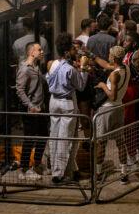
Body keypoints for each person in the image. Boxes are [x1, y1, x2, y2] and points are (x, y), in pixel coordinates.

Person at [46, 32, 89, 184]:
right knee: (65, 138)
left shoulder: (52, 64)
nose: (74, 50)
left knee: (55, 136)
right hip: (67, 103)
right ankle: (58, 174)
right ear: (66, 52)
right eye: (72, 48)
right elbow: (81, 86)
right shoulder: (70, 69)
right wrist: (83, 69)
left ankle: (65, 168)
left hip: (53, 101)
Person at [93, 46, 130, 184]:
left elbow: (112, 96)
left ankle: (98, 173)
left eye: (109, 55)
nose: (108, 56)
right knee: (121, 142)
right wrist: (94, 57)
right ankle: (124, 173)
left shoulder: (114, 75)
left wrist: (103, 85)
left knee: (101, 142)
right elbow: (108, 65)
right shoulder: (125, 68)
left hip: (107, 109)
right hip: (119, 108)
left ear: (114, 58)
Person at [15, 42, 47, 181]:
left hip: (41, 109)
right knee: (29, 139)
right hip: (31, 111)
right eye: (39, 50)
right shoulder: (25, 69)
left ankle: (37, 164)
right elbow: (20, 90)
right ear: (31, 52)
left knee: (43, 136)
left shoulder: (36, 67)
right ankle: (24, 168)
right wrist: (30, 105)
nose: (42, 51)